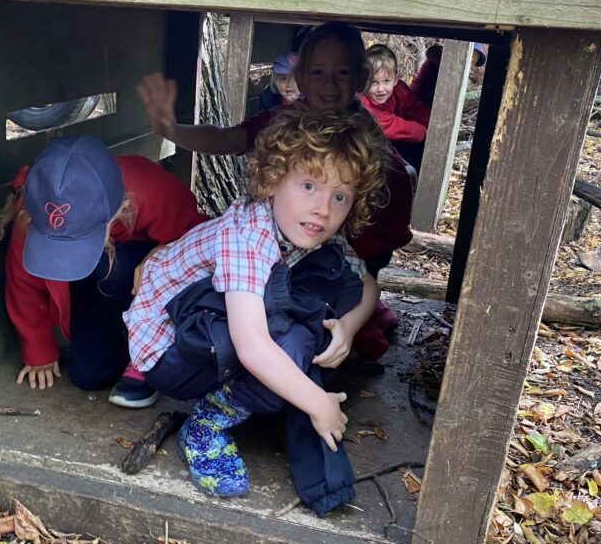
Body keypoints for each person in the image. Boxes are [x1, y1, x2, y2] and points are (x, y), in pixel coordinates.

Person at [124, 106, 388, 515]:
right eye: (308, 186)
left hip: (207, 326)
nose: (323, 208)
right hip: (165, 348)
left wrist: (349, 328)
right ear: (271, 180)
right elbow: (252, 347)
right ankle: (207, 426)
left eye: (340, 196)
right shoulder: (249, 235)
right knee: (289, 347)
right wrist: (319, 403)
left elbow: (368, 283)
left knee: (317, 311)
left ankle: (238, 394)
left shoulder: (310, 232)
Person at [137, 21, 411, 360]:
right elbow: (227, 139)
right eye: (318, 71)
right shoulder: (286, 121)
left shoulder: (365, 135)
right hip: (300, 241)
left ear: (360, 79)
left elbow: (395, 187)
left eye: (341, 72)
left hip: (363, 234)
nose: (329, 83)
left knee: (349, 284)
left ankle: (353, 322)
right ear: (300, 79)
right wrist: (173, 130)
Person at [3, 135, 207, 407]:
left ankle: (152, 352)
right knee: (88, 376)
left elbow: (197, 236)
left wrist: (166, 251)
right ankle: (125, 343)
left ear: (120, 208)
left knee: (115, 267)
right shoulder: (32, 212)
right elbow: (22, 282)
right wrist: (38, 348)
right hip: (94, 287)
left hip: (134, 281)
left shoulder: (150, 188)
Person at [359, 44, 431, 170]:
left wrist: (433, 124)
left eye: (386, 81)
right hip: (368, 150)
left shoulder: (399, 90)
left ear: (396, 80)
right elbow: (392, 126)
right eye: (374, 82)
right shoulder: (363, 101)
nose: (381, 89)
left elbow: (414, 109)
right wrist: (424, 133)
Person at [410, 40, 487, 107]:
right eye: (470, 57)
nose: (470, 63)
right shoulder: (441, 60)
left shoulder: (460, 77)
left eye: (473, 62)